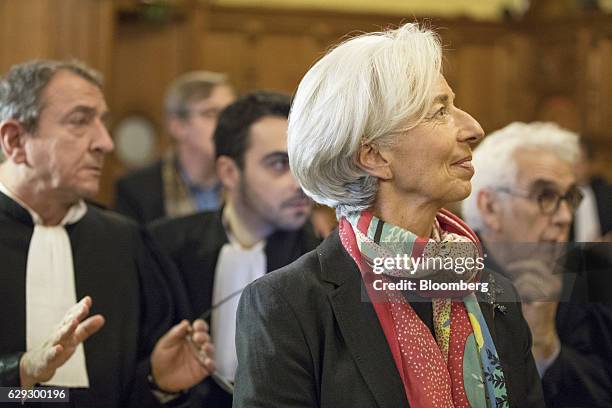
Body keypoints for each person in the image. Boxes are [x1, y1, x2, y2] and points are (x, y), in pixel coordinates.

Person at [233, 23, 545, 408]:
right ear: (375, 156)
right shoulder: (288, 304)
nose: (473, 128)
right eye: (440, 111)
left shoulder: (494, 291)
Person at [0, 60, 215, 408]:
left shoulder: (126, 242)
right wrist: (20, 373)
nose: (105, 142)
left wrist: (157, 381)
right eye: (80, 121)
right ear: (15, 139)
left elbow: (126, 393)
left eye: (103, 122)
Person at [149, 91, 319, 407]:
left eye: (302, 162)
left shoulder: (321, 259)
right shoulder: (166, 246)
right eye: (280, 164)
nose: (300, 182)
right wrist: (162, 386)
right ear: (228, 172)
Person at [462, 121, 612, 407]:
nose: (565, 217)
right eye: (545, 196)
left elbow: (601, 394)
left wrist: (545, 345)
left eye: (569, 198)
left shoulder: (592, 278)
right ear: (490, 207)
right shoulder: (446, 280)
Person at [115, 71, 235, 223]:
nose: (225, 123)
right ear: (177, 126)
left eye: (230, 113)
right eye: (210, 113)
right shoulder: (137, 190)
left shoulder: (245, 183)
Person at [572, 137, 612, 242]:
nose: (573, 166)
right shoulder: (559, 194)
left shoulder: (606, 192)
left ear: (590, 164)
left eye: (579, 161)